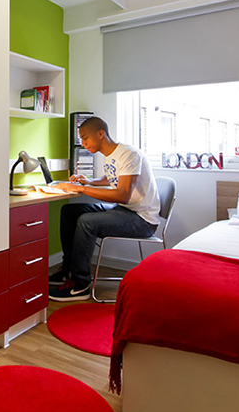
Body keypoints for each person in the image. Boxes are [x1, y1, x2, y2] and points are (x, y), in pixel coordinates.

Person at [49, 116, 160, 301]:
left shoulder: (128, 154)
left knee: (87, 222)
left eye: (85, 138)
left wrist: (82, 188)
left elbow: (122, 193)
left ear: (100, 134)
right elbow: (113, 178)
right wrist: (90, 181)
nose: (83, 144)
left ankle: (80, 284)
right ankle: (68, 269)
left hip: (142, 219)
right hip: (124, 210)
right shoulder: (112, 155)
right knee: (70, 212)